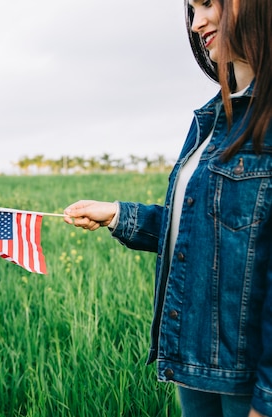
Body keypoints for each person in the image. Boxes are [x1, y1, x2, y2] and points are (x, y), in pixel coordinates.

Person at [63, 0, 271, 416]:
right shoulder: (212, 118)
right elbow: (210, 232)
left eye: (209, 4)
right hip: (194, 364)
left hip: (246, 383)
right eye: (191, 10)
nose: (196, 23)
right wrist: (120, 215)